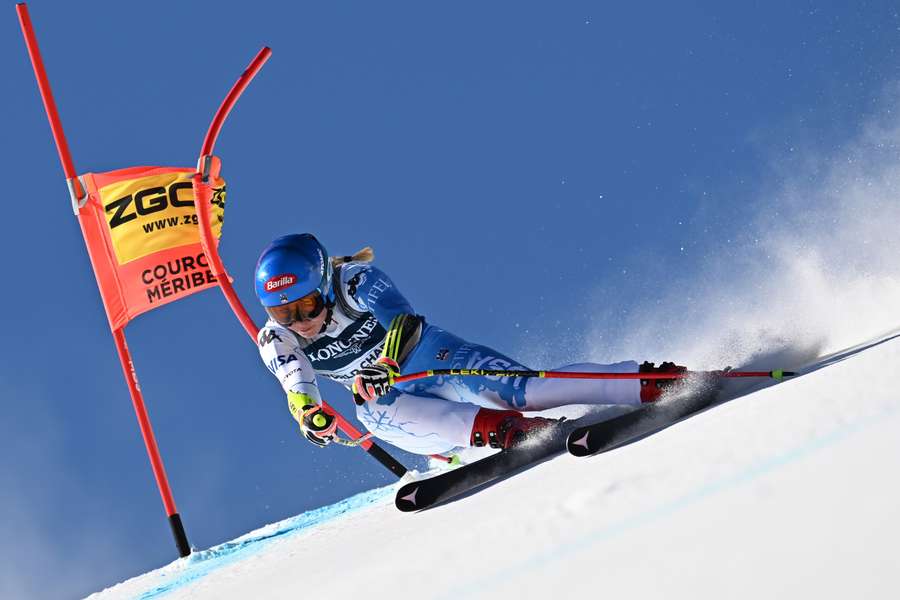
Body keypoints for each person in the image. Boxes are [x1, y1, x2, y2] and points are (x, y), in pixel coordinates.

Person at [255, 233, 684, 456]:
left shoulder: (354, 281)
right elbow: (298, 387)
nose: (301, 322)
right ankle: (505, 431)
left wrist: (387, 362)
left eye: (307, 306)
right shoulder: (277, 338)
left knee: (528, 390)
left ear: (325, 286)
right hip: (404, 410)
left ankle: (650, 381)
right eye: (284, 313)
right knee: (369, 412)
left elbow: (403, 318)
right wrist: (311, 417)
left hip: (432, 359)